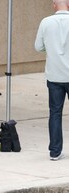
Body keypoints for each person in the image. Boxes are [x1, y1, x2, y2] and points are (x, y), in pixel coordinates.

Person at [35, 0, 69, 161]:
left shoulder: (45, 22)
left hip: (54, 74)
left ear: (54, 5)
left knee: (55, 113)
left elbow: (38, 46)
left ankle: (55, 151)